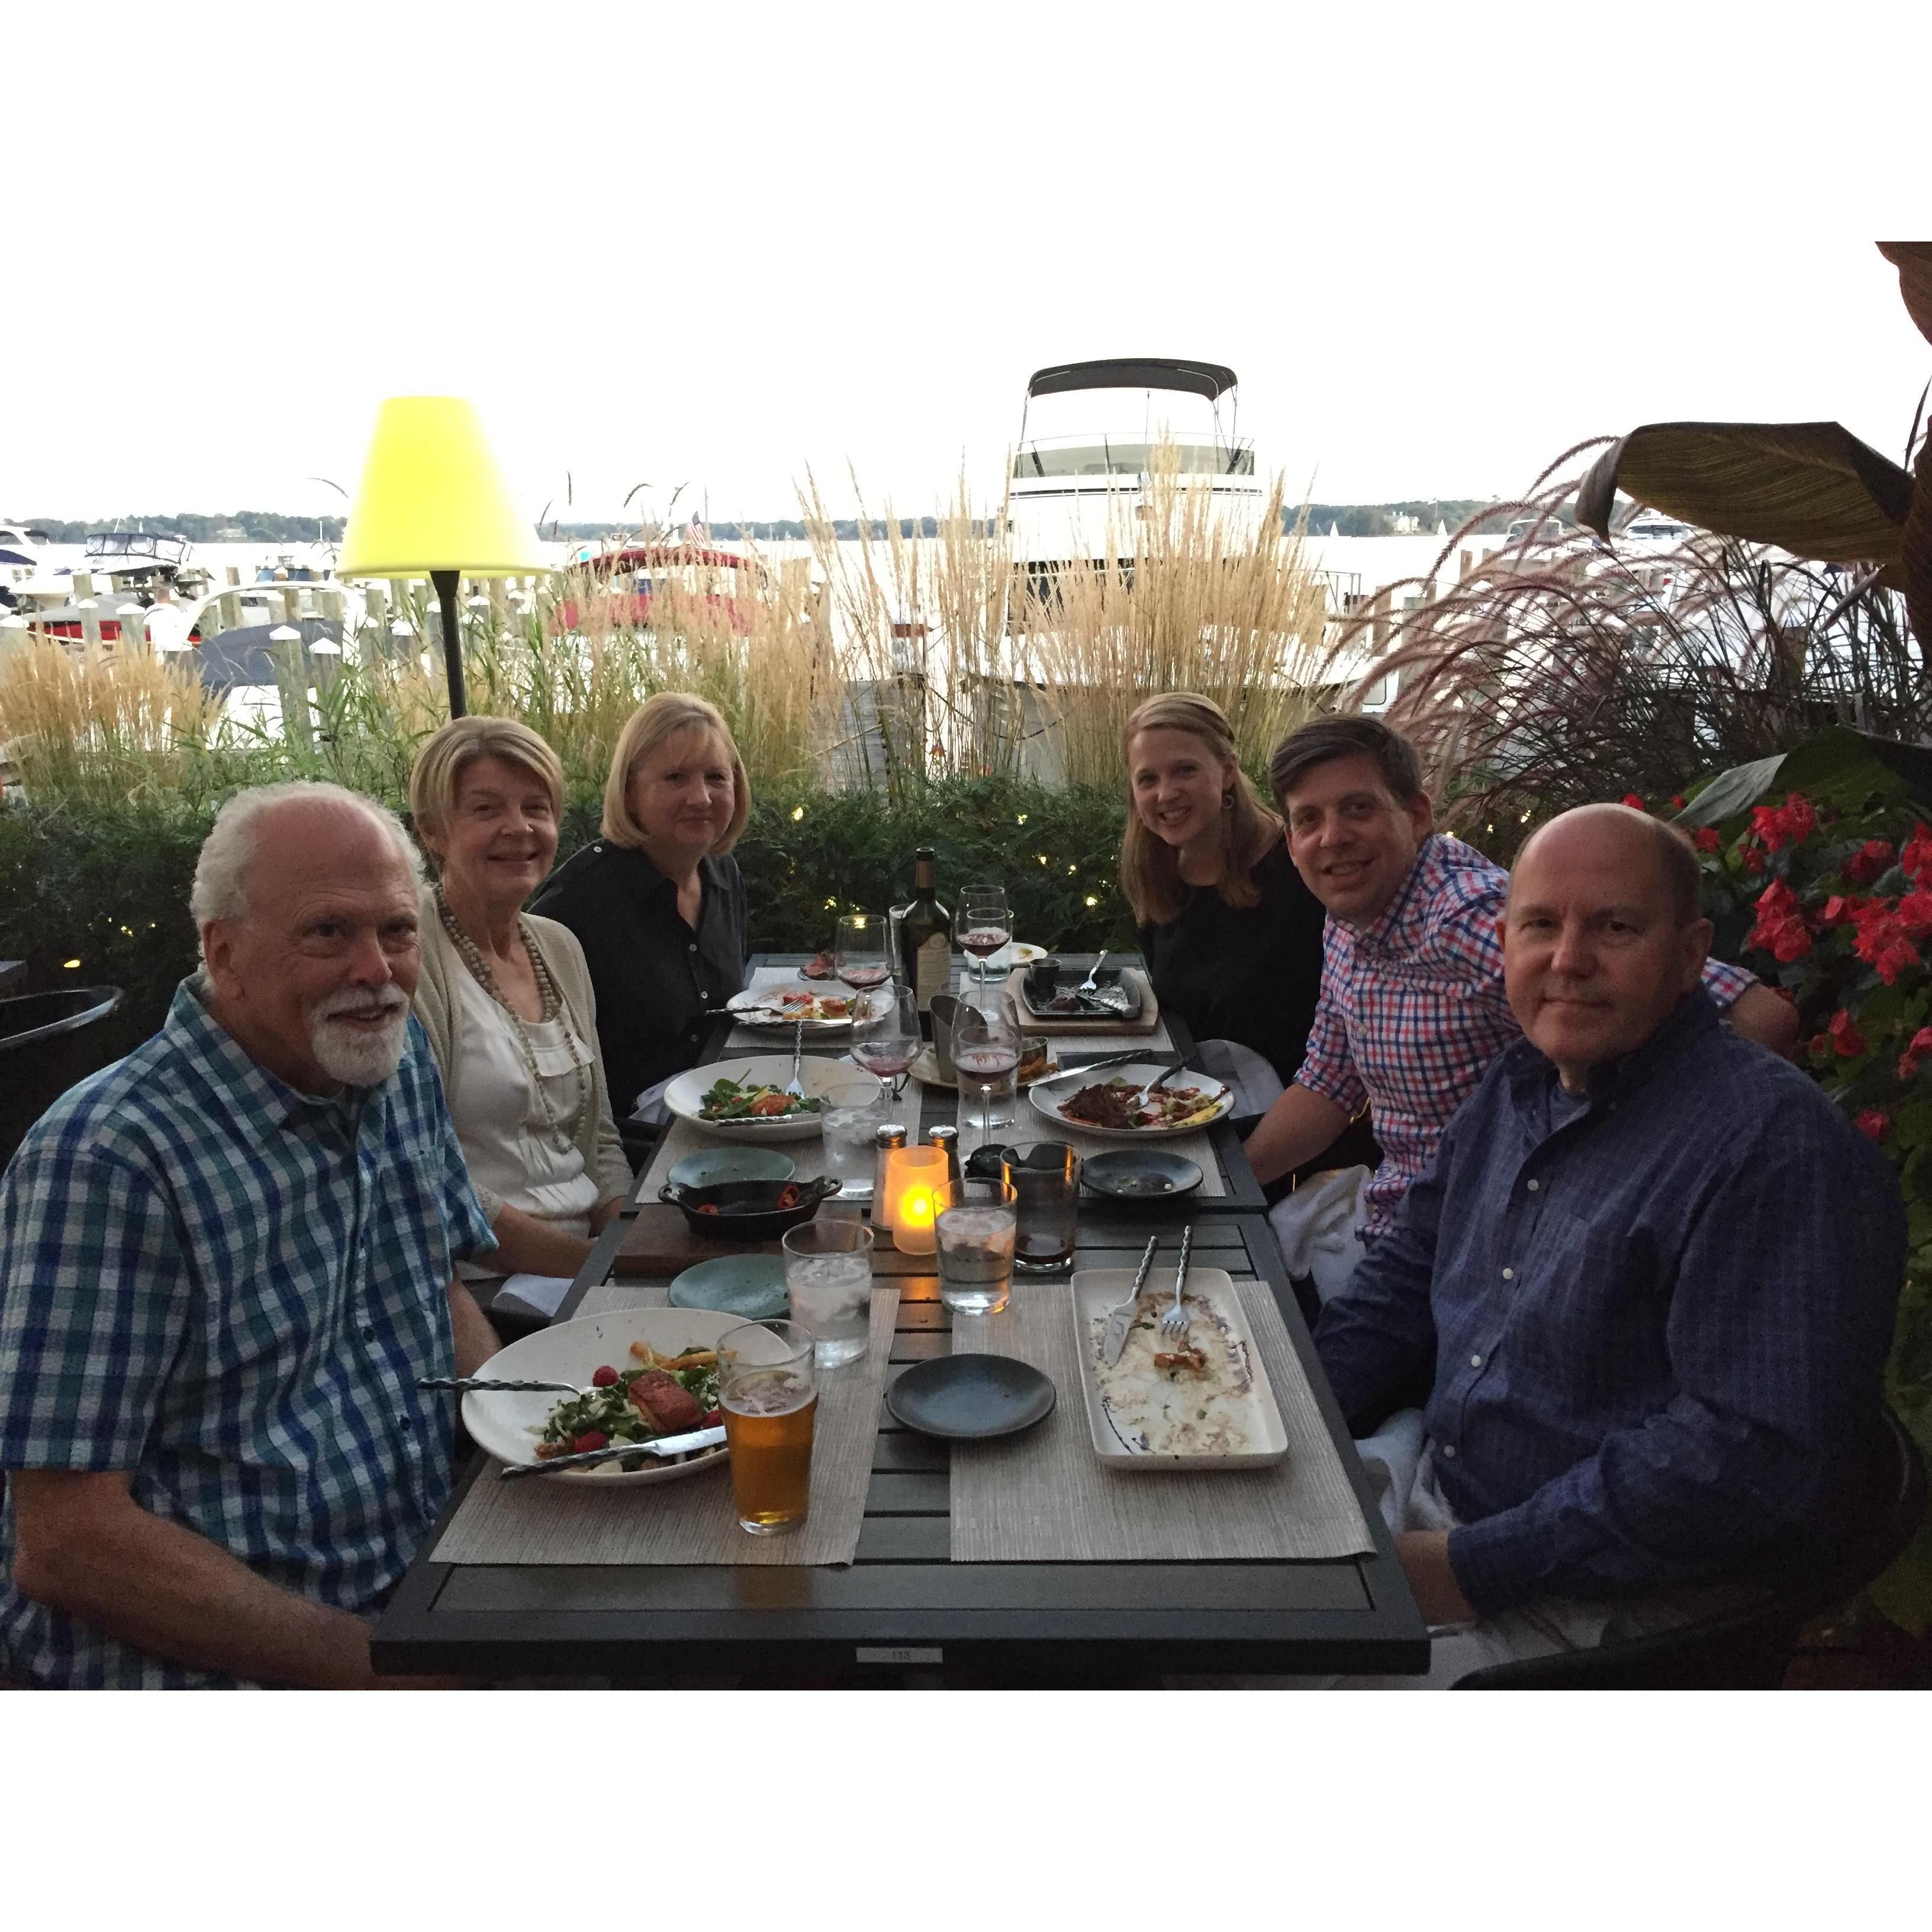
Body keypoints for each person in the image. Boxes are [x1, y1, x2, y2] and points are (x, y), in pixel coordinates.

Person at [1312, 804, 1904, 1685]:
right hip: (1440, 1491)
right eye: (1541, 925)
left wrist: (1467, 1569)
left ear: (1692, 954)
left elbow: (1746, 1461)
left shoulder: (1771, 1151)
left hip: (1601, 1610)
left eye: (1615, 927)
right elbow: (1406, 1269)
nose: (1568, 960)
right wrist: (1288, 1412)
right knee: (1174, 1574)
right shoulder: (1518, 1084)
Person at [0, 783, 500, 1688]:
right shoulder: (109, 1158)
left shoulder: (391, 1061)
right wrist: (381, 1677)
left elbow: (438, 1282)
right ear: (222, 953)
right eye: (328, 934)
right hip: (228, 1660)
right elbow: (68, 1544)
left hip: (417, 1575)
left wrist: (529, 1451)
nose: (376, 971)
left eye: (396, 930)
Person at [1242, 716, 1799, 1245]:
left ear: (1416, 815)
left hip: (1495, 1252)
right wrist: (1221, 1185)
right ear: (1291, 843)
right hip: (1403, 1228)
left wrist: (1624, 1182)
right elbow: (1328, 1084)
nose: (1333, 838)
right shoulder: (1349, 920)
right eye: (1308, 820)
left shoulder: (1466, 918)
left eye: (1357, 809)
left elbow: (1760, 1018)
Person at [408, 717, 633, 1281]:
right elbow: (426, 1179)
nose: (520, 829)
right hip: (481, 1286)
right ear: (433, 830)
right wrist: (593, 1272)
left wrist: (627, 1243)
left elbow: (600, 1137)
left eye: (537, 808)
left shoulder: (558, 947)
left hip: (582, 1269)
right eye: (485, 810)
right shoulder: (410, 955)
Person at [1121, 692, 1376, 1177]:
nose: (1165, 793)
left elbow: (1339, 1059)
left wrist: (1236, 1174)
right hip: (1195, 1118)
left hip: (1301, 1152)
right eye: (1148, 779)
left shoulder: (1301, 870)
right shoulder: (1157, 871)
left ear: (1228, 770)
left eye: (1185, 771)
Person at [530, 693, 750, 1119]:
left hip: (724, 1112)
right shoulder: (579, 903)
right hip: (632, 1148)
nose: (701, 798)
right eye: (675, 778)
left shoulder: (724, 875)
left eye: (717, 777)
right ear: (630, 793)